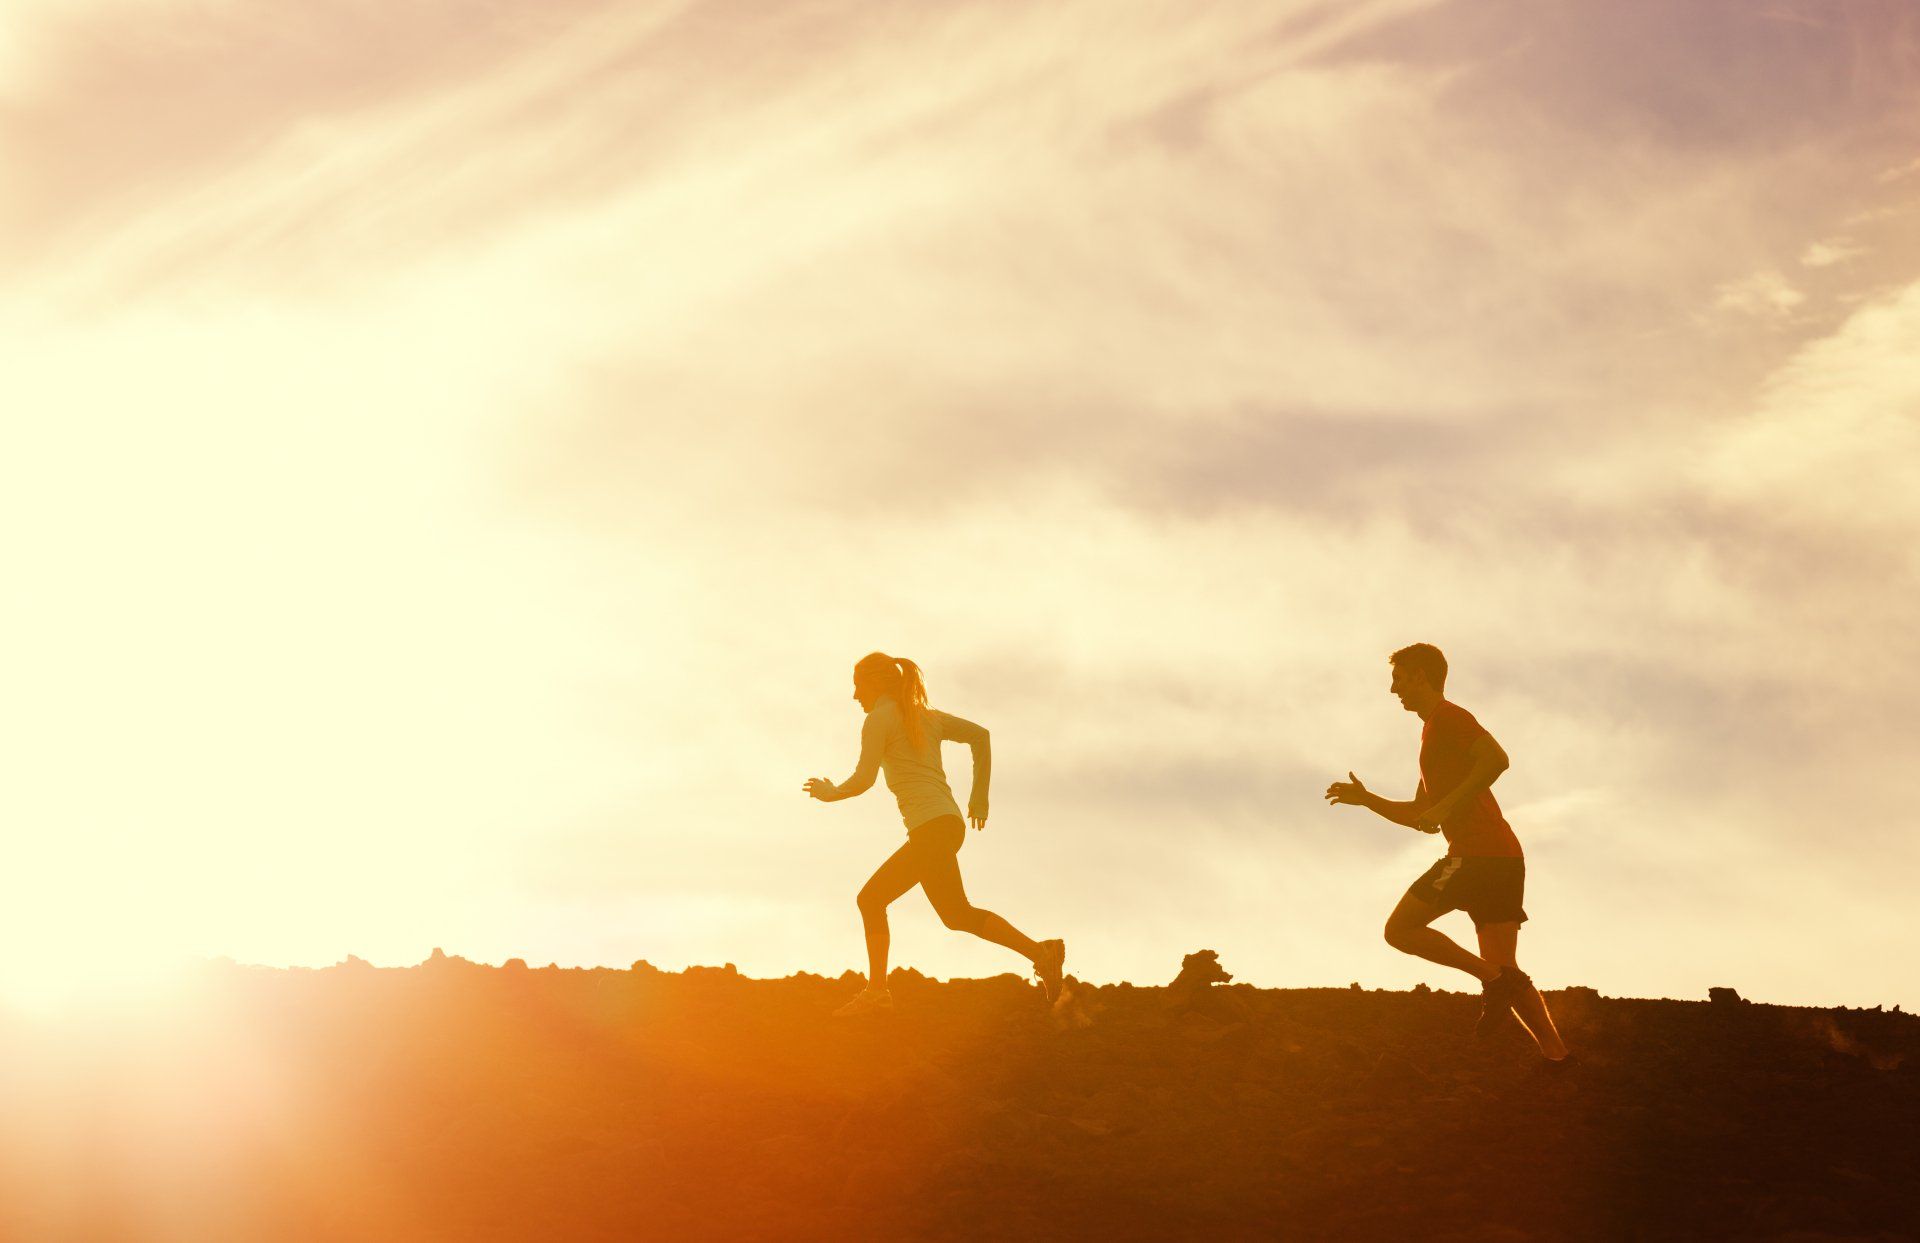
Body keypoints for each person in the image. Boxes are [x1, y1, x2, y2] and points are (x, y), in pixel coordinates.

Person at [1325, 643, 1569, 1061]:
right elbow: (1422, 813)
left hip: (1477, 855)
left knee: (1399, 930)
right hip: (1504, 858)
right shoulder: (1431, 735)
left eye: (1398, 678)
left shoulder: (1449, 718)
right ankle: (1558, 1056)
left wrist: (1448, 805)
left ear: (1420, 676)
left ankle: (1492, 979)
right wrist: (1368, 800)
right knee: (1507, 970)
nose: (1393, 689)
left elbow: (1497, 760)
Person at [803, 652, 1065, 1016]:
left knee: (871, 900)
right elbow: (981, 737)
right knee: (956, 914)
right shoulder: (927, 717)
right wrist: (978, 798)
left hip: (931, 829)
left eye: (857, 685)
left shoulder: (879, 720)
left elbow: (864, 780)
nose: (854, 696)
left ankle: (877, 992)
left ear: (876, 683)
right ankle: (1041, 952)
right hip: (947, 825)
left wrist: (829, 792)